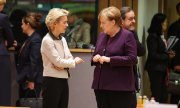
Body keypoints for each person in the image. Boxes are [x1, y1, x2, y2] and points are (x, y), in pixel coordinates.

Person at [91, 6, 137, 108]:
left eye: (103, 22)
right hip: (100, 87)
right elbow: (96, 54)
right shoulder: (102, 36)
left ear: (113, 22)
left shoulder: (127, 35)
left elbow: (132, 59)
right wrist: (95, 57)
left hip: (120, 88)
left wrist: (109, 60)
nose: (101, 25)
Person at [41, 8, 84, 108]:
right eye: (64, 22)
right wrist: (73, 62)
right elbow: (58, 61)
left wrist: (64, 66)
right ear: (54, 23)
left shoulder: (63, 39)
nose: (67, 25)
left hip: (63, 80)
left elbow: (68, 58)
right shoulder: (47, 40)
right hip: (51, 81)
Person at [16, 12, 43, 100]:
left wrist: (31, 80)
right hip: (26, 79)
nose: (21, 26)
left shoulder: (35, 39)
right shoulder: (30, 38)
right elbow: (28, 52)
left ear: (28, 25)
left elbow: (34, 61)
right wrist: (18, 45)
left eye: (22, 24)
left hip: (31, 81)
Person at [145, 13, 169, 103]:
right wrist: (167, 56)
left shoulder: (159, 36)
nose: (166, 24)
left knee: (163, 94)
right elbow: (153, 54)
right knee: (157, 94)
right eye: (165, 22)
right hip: (156, 69)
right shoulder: (152, 36)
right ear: (160, 24)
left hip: (161, 68)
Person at [121, 6, 146, 92]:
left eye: (134, 18)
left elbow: (141, 51)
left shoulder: (131, 33)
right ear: (121, 21)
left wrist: (132, 35)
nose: (134, 21)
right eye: (130, 19)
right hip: (120, 78)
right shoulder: (116, 35)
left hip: (132, 76)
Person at [0, 0, 15, 105]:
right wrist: (8, 44)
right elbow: (10, 39)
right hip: (1, 55)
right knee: (3, 87)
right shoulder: (2, 17)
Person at [167, 2, 180, 105]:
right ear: (177, 11)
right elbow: (172, 47)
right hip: (178, 64)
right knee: (176, 92)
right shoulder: (174, 27)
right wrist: (175, 63)